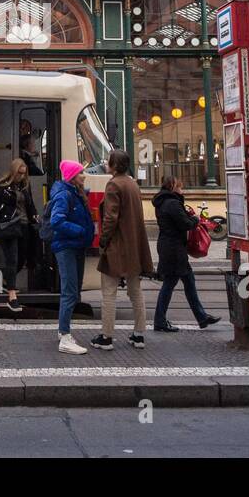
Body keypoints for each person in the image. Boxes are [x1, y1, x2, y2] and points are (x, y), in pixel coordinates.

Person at [92, 150, 153, 350]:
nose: (106, 164)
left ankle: (107, 336)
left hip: (117, 246)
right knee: (136, 292)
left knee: (108, 292)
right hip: (135, 246)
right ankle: (139, 334)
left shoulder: (114, 184)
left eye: (108, 161)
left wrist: (103, 240)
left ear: (114, 165)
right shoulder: (132, 183)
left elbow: (111, 218)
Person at [152, 176, 220, 332]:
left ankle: (201, 317)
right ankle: (160, 321)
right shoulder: (172, 203)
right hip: (174, 249)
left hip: (169, 246)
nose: (182, 190)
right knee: (171, 284)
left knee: (187, 281)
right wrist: (195, 219)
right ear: (173, 186)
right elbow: (185, 224)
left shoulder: (162, 202)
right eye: (180, 187)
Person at [0, 159, 40, 313]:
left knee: (22, 257)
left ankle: (7, 280)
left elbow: (29, 204)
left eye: (23, 173)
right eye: (19, 173)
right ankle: (12, 296)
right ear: (14, 171)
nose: (21, 176)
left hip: (24, 225)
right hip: (8, 226)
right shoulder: (1, 186)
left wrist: (34, 217)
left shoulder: (25, 186)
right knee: (12, 257)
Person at [47, 159, 96, 355]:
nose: (84, 176)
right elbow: (56, 221)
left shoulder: (74, 193)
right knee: (69, 292)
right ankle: (65, 337)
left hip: (75, 247)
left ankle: (63, 332)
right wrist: (79, 230)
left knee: (73, 293)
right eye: (80, 173)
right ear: (73, 177)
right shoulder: (64, 195)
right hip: (67, 247)